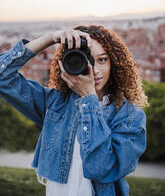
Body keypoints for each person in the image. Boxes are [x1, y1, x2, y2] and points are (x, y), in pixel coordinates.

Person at [0, 25, 148, 196]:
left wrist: (88, 99)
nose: (94, 70)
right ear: (68, 64)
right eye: (86, 60)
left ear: (113, 63)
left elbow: (101, 169)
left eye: (102, 60)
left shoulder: (130, 117)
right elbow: (3, 77)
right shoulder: (55, 103)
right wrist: (51, 38)